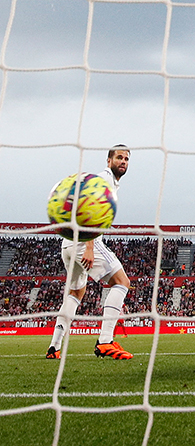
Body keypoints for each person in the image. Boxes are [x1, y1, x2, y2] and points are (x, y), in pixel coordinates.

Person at [47, 145, 134, 360]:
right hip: (83, 242)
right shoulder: (103, 180)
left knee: (76, 293)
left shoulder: (109, 181)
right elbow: (87, 208)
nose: (123, 162)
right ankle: (105, 341)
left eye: (126, 159)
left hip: (69, 243)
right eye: (119, 158)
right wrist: (89, 246)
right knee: (122, 282)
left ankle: (54, 347)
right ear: (108, 161)